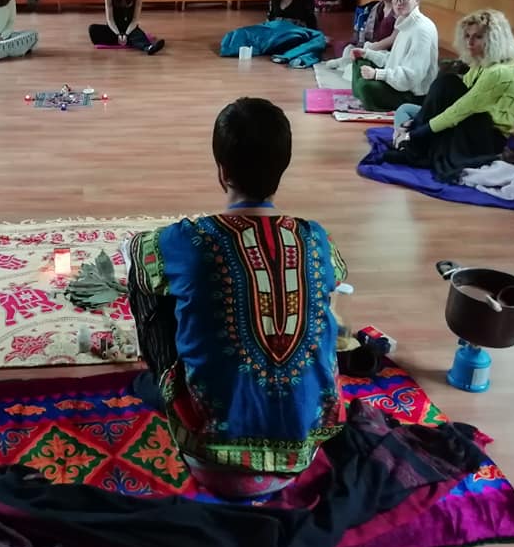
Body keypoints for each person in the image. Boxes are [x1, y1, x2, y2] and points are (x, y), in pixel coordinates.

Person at [125, 98, 347, 498]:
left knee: (149, 278)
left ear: (222, 171)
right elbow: (338, 278)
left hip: (207, 453)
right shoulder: (315, 237)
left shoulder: (191, 239)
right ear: (282, 168)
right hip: (302, 452)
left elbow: (137, 252)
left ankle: (164, 382)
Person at [387, 9, 514, 182]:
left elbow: (460, 110)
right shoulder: (482, 63)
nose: (470, 42)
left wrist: (417, 132)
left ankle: (411, 144)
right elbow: (452, 101)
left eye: (478, 37)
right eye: (467, 36)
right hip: (472, 122)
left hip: (489, 136)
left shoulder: (500, 71)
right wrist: (416, 123)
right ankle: (409, 139)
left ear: (494, 39)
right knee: (406, 109)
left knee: (447, 83)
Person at [351, 0, 438, 111]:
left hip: (412, 95)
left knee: (364, 86)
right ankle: (365, 97)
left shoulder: (422, 30)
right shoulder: (405, 22)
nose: (398, 2)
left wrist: (377, 74)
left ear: (417, 0)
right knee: (360, 61)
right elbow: (393, 60)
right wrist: (367, 54)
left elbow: (410, 78)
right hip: (398, 83)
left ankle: (365, 96)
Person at [88, 0, 165, 54]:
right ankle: (125, 40)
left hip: (130, 28)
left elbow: (135, 20)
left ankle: (149, 48)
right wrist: (118, 34)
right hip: (114, 28)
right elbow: (110, 20)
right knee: (93, 29)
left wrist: (126, 34)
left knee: (136, 34)